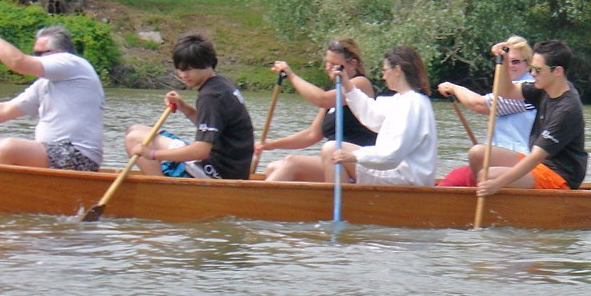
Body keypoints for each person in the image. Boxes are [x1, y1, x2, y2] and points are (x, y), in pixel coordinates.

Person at [447, 38, 587, 196]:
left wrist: (497, 184)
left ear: (557, 71)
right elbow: (506, 91)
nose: (532, 74)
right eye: (532, 68)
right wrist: (503, 62)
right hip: (539, 165)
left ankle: (496, 203)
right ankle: (488, 201)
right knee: (477, 153)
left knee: (487, 176)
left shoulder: (567, 110)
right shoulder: (543, 88)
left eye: (538, 70)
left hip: (559, 175)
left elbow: (535, 157)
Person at [0, 20, 104, 171]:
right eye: (36, 54)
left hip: (78, 156)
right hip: (53, 154)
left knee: (6, 147)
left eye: (43, 53)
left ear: (60, 52)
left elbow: (18, 62)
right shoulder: (44, 84)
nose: (38, 57)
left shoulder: (72, 63)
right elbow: (3, 111)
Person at [127, 33, 254, 180]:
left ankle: (163, 191)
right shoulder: (221, 84)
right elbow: (212, 128)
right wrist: (184, 107)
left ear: (206, 64)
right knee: (135, 129)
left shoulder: (211, 96)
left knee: (134, 139)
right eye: (180, 69)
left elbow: (201, 151)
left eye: (188, 69)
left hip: (217, 172)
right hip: (229, 167)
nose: (183, 75)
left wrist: (153, 155)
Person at [255, 38, 377, 181]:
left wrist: (291, 76)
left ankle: (252, 203)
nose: (328, 68)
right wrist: (272, 144)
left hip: (358, 162)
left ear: (352, 65)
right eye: (327, 63)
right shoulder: (334, 92)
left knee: (291, 163)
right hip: (335, 161)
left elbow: (321, 99)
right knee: (273, 167)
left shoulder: (360, 84)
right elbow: (312, 135)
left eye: (334, 64)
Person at [325, 45, 437, 186]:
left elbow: (392, 156)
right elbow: (372, 115)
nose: (383, 76)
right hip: (397, 172)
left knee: (331, 150)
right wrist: (347, 84)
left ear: (397, 70)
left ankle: (344, 205)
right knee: (333, 148)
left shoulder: (413, 104)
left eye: (385, 70)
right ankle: (345, 200)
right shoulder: (401, 99)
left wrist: (354, 156)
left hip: (405, 178)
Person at [435, 35, 537, 186]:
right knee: (454, 178)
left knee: (465, 169)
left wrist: (454, 88)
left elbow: (479, 105)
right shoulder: (511, 87)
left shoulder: (528, 88)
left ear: (528, 64)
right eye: (505, 61)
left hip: (519, 162)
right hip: (499, 157)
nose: (509, 66)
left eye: (515, 61)